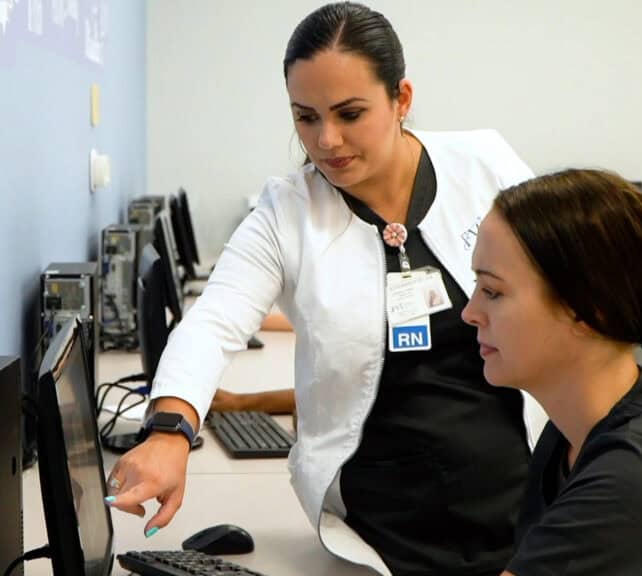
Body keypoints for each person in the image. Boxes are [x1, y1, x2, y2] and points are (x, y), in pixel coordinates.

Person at [106, 3, 546, 574]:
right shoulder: (287, 213)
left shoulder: (484, 166)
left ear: (401, 99)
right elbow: (212, 322)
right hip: (382, 523)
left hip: (521, 500)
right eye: (305, 117)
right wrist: (169, 431)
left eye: (350, 113)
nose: (327, 140)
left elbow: (572, 287)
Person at [459, 169, 642, 575]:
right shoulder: (570, 434)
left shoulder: (636, 473)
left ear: (588, 312)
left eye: (492, 291)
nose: (469, 313)